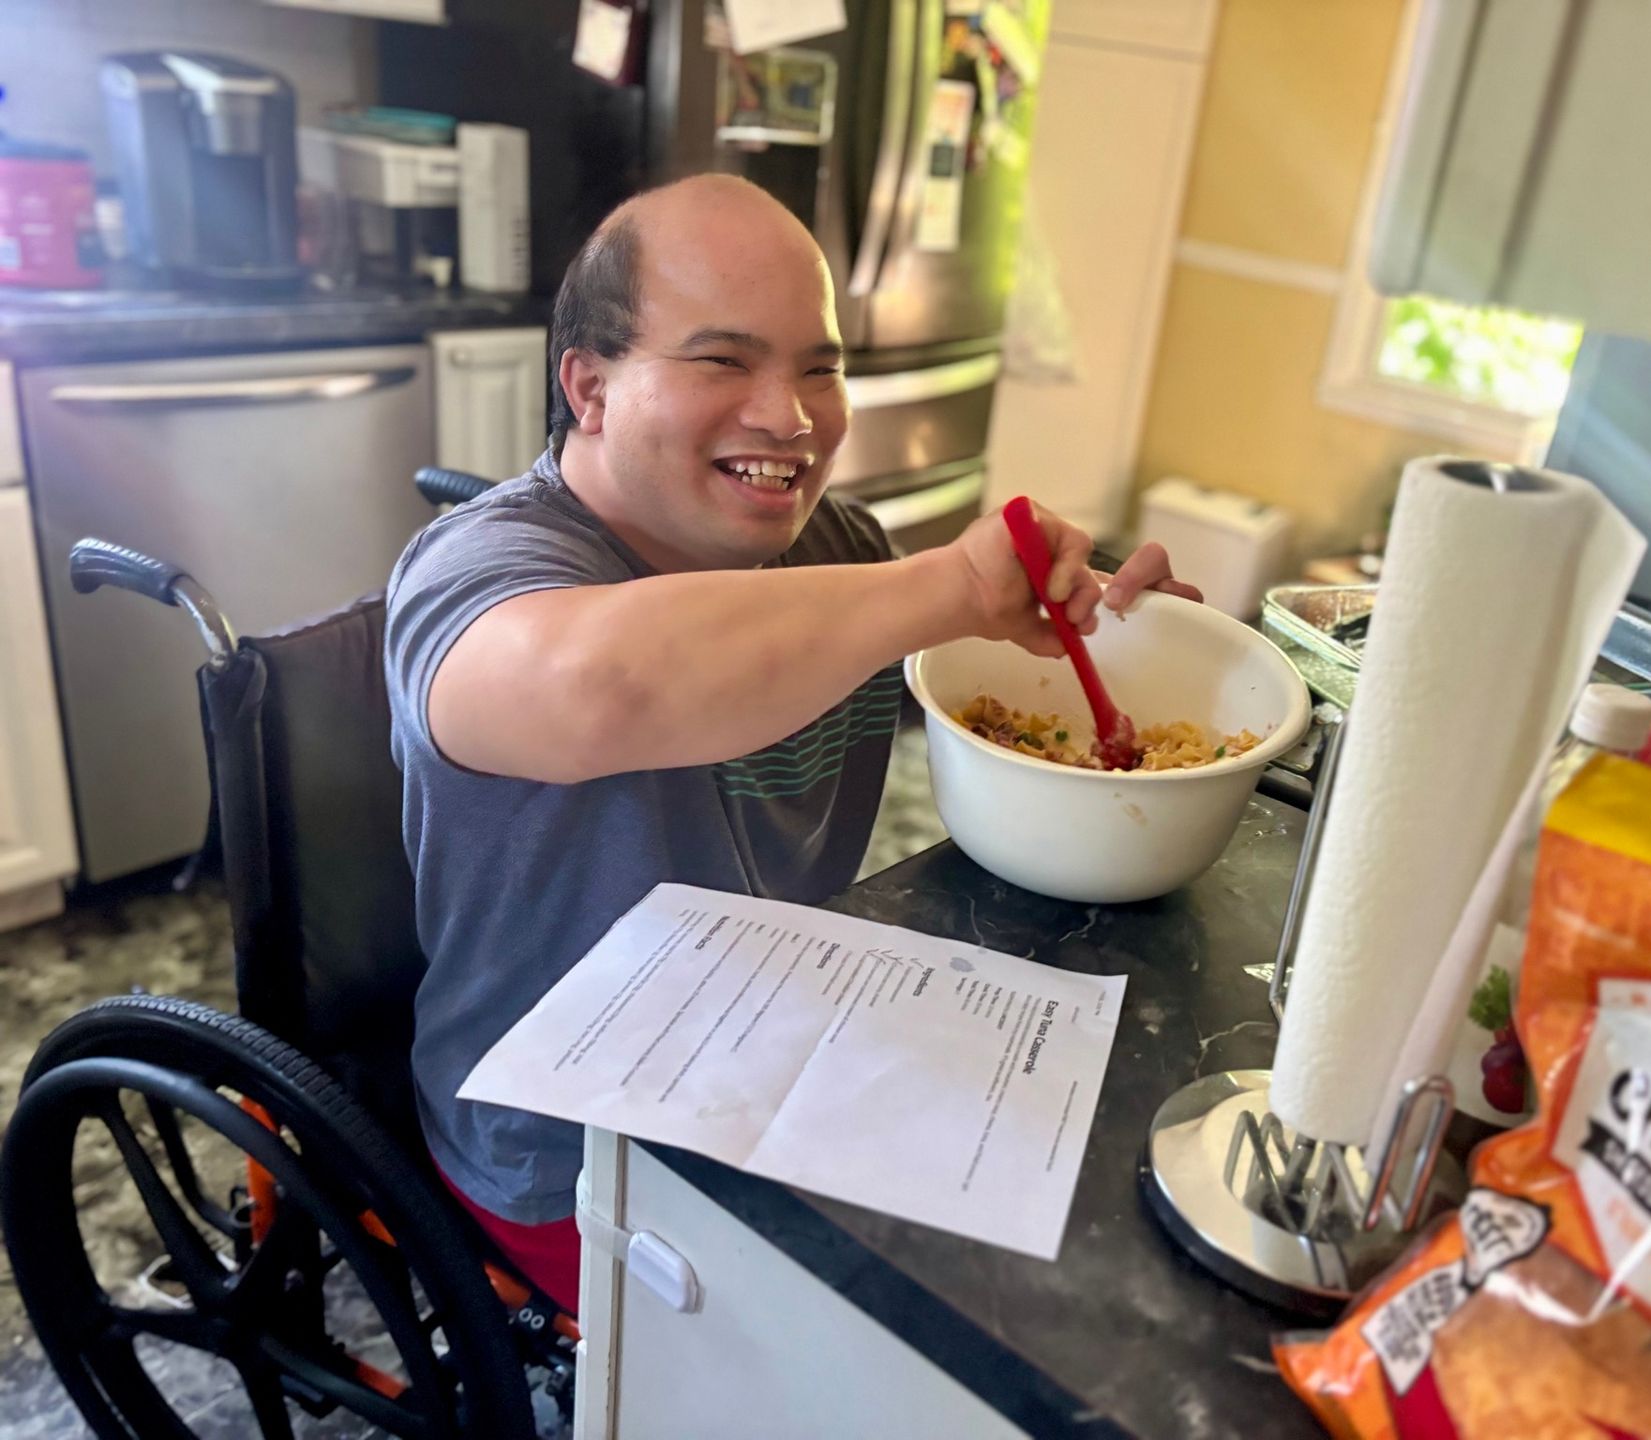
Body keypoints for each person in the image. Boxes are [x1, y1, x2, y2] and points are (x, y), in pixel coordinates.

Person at [384, 174, 1199, 1312]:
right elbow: (593, 686)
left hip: (776, 1063)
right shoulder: (480, 568)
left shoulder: (840, 551)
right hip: (570, 1153)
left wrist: (1109, 635)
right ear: (590, 388)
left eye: (821, 368)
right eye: (724, 360)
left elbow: (1003, 695)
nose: (793, 417)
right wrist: (952, 586)